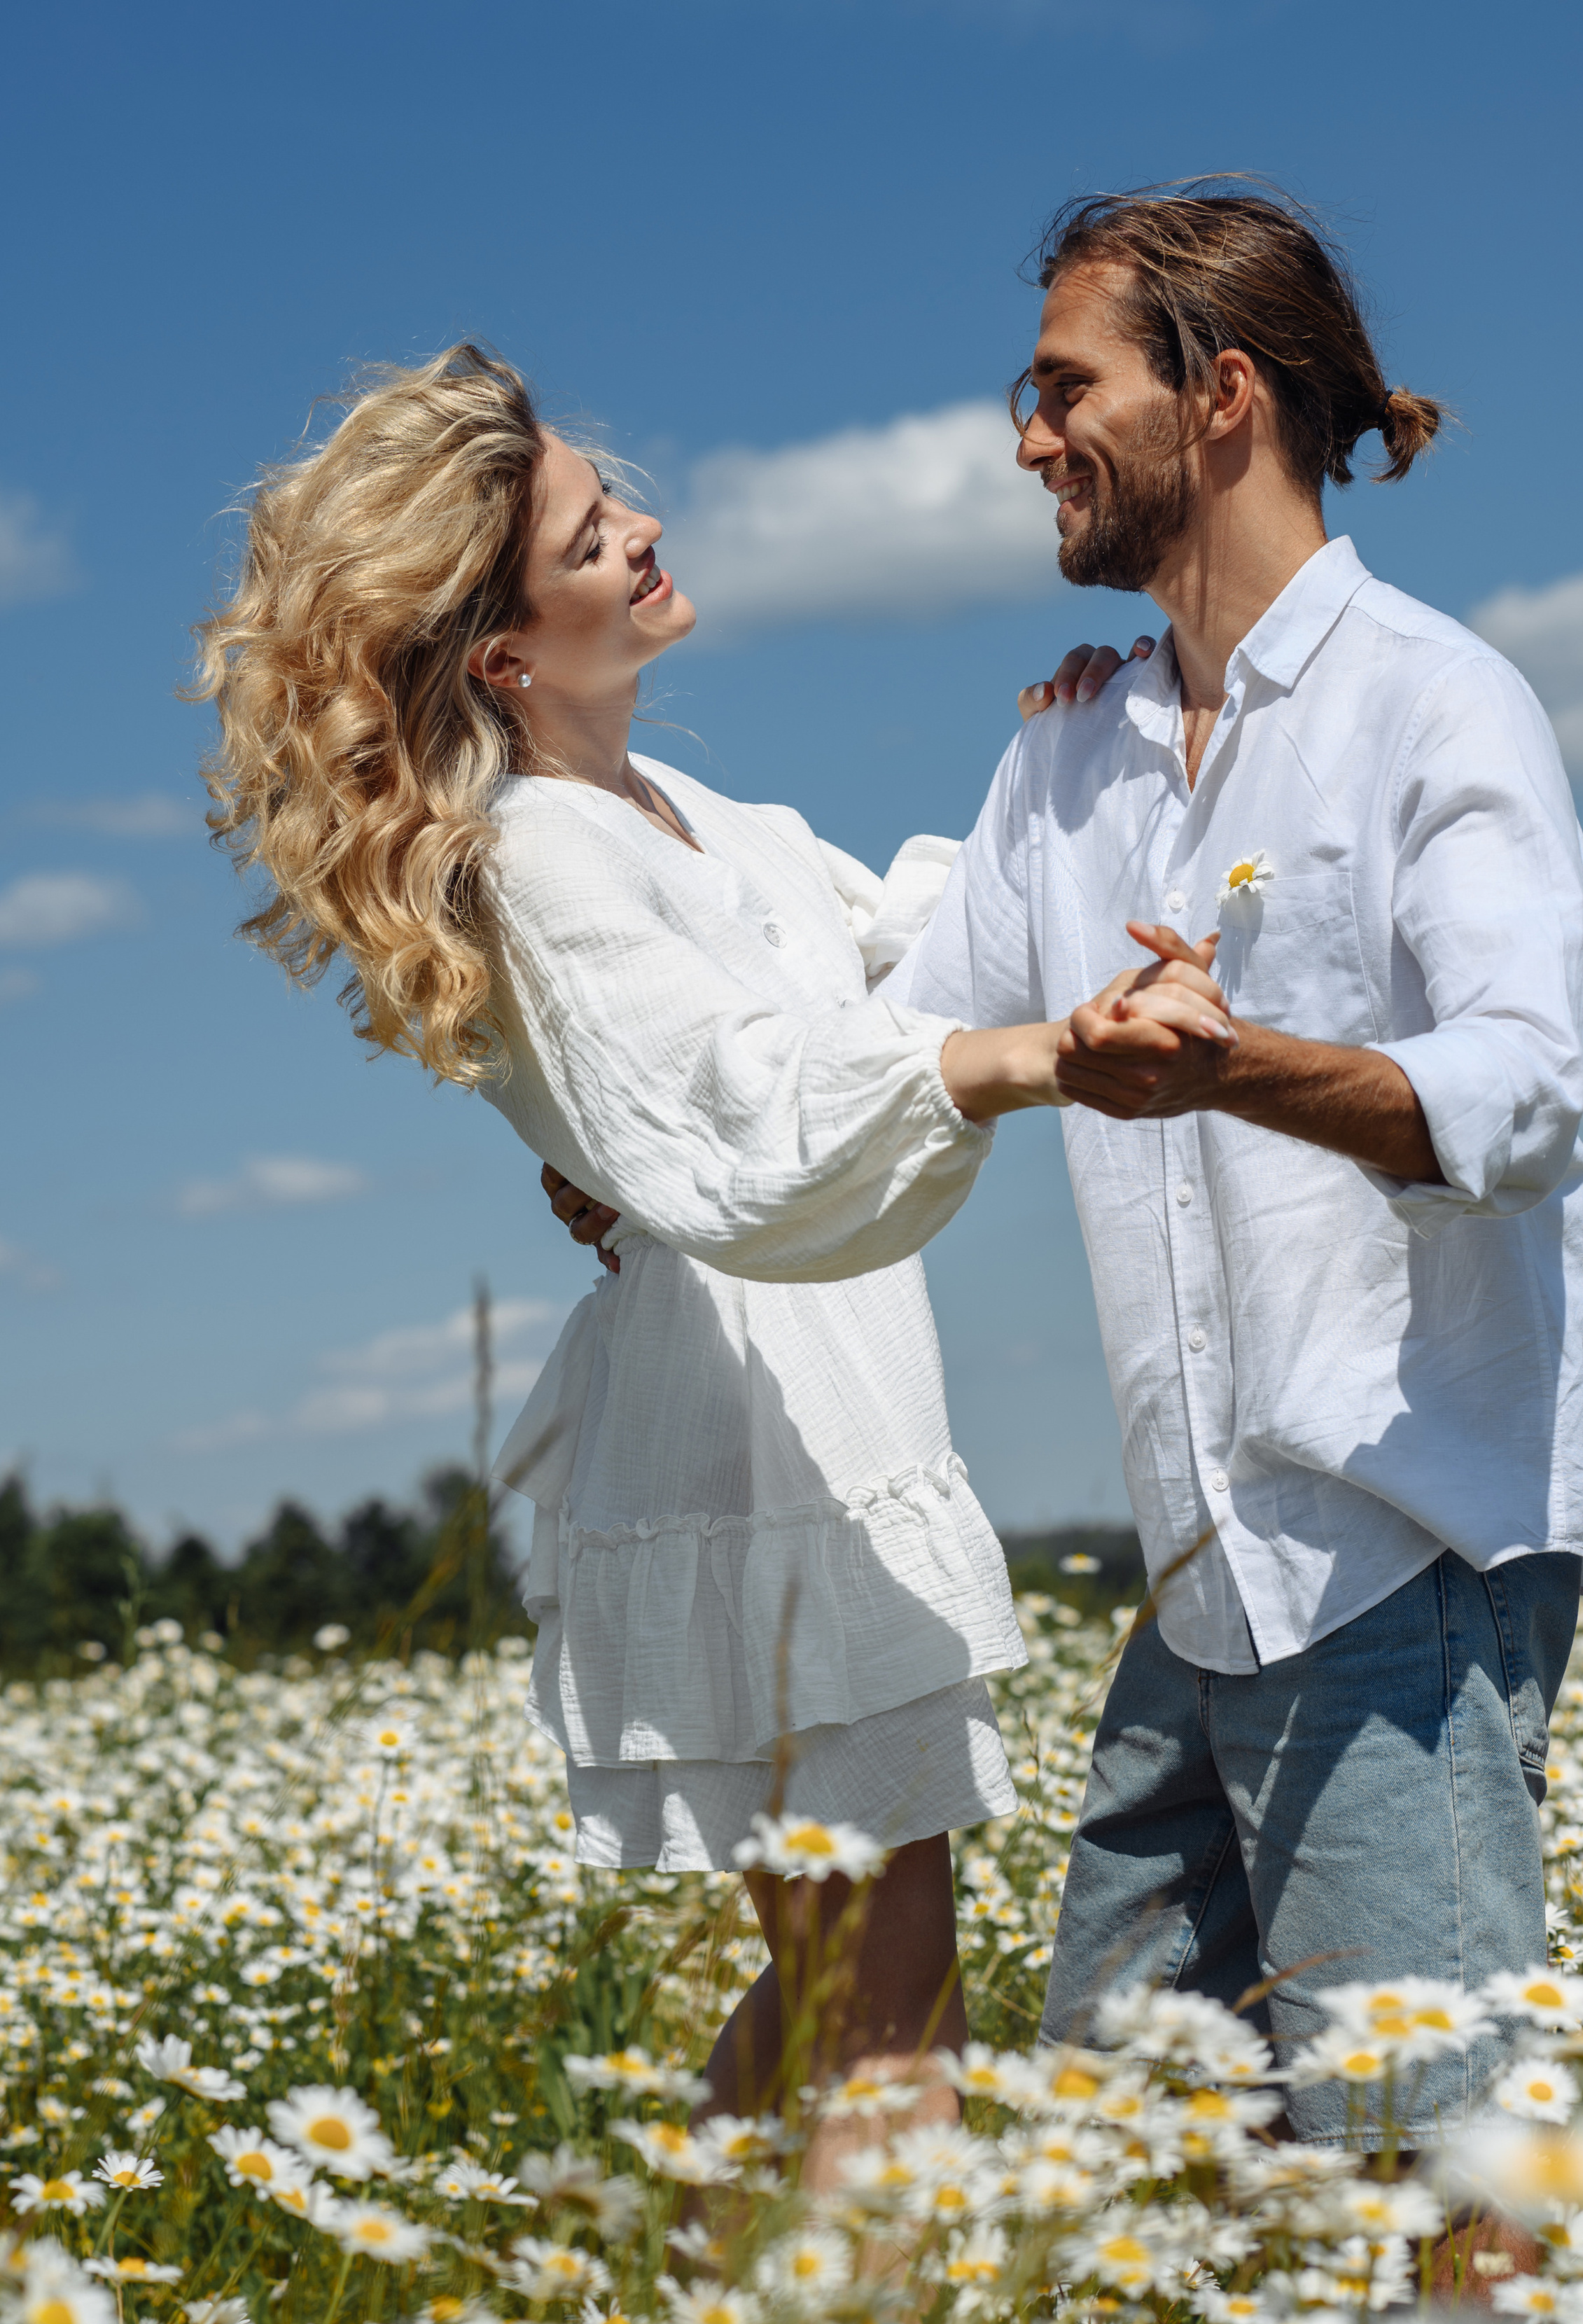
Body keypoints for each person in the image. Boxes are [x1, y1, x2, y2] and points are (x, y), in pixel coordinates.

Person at [558, 187, 1583, 2208]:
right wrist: (636, 1136)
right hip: (1206, 1577)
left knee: (1441, 2153)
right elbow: (897, 1048)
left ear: (1222, 396)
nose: (1026, 434)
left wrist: (1244, 1071)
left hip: (1408, 1548)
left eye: (1066, 389)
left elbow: (1525, 1095)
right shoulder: (1071, 760)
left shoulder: (1435, 702)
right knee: (1125, 2174)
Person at [192, 343, 1189, 2187]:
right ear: (503, 653)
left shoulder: (696, 819)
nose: (642, 528)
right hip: (751, 1439)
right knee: (889, 2026)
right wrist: (1026, 1059)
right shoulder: (544, 853)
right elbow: (740, 1112)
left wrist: (1058, 759)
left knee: (853, 1994)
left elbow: (926, 945)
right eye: (592, 532)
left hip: (812, 1404)